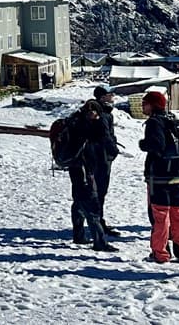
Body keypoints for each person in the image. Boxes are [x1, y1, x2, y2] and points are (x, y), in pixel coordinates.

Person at [138, 90, 179, 263]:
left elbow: (157, 145)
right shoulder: (175, 121)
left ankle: (160, 253)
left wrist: (143, 144)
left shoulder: (154, 122)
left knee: (160, 215)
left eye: (144, 103)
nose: (142, 106)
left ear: (153, 105)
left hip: (159, 176)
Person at [66, 100, 118, 251]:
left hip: (75, 167)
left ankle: (79, 235)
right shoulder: (91, 126)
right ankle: (99, 242)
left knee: (78, 201)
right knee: (92, 203)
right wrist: (112, 152)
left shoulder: (74, 122)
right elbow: (107, 142)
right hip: (85, 168)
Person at [91, 85, 120, 234]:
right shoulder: (102, 114)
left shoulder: (100, 111)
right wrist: (114, 150)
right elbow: (105, 136)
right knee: (99, 191)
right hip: (100, 157)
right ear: (102, 97)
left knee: (95, 190)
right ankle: (97, 223)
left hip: (98, 156)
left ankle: (94, 222)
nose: (113, 96)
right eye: (110, 94)